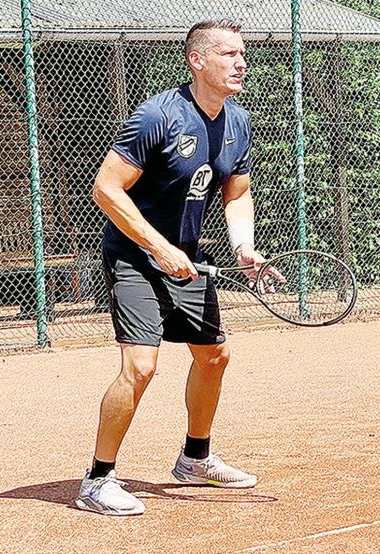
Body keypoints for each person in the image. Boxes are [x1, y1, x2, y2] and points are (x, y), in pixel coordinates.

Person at [75, 19, 267, 516]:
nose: (240, 62)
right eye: (228, 54)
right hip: (135, 257)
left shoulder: (237, 122)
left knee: (214, 357)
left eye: (242, 53)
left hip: (189, 261)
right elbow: (106, 189)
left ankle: (195, 459)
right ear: (197, 61)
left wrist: (243, 247)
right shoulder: (157, 116)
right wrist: (159, 247)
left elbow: (236, 192)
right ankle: (97, 481)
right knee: (141, 366)